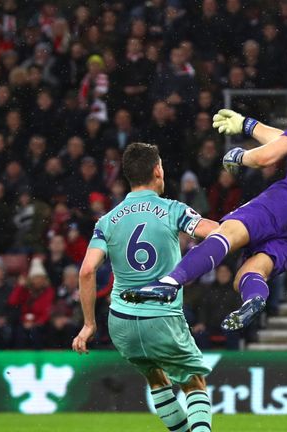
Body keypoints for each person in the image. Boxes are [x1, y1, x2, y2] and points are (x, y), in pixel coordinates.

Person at [131, 83, 287, 331]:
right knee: (250, 271)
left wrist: (240, 156)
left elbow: (267, 156)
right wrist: (248, 124)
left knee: (226, 233)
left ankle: (169, 283)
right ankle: (255, 298)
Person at [71, 143, 219, 432]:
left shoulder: (107, 220)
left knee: (156, 377)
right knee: (193, 382)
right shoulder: (172, 209)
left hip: (121, 322)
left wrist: (88, 324)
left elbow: (87, 270)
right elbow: (214, 231)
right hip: (161, 316)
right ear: (157, 170)